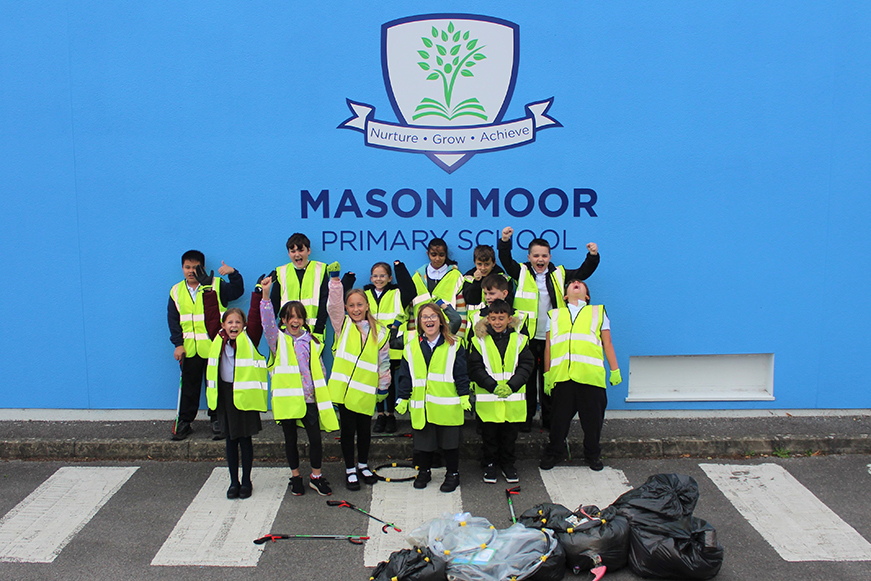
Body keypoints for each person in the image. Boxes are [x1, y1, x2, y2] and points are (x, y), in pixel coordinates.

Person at [498, 227, 600, 431]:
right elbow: (506, 260)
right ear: (529, 256)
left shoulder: (559, 273)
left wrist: (593, 256)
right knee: (525, 380)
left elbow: (583, 273)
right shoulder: (522, 271)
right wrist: (505, 241)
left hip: (553, 338)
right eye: (536, 255)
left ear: (550, 256)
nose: (540, 259)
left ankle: (549, 420)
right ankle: (525, 421)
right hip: (526, 337)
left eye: (544, 255)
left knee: (549, 381)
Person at [260, 276, 338, 496]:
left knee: (315, 439)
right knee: (290, 440)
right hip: (287, 400)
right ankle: (295, 476)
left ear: (304, 320)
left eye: (298, 317)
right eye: (289, 317)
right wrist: (266, 296)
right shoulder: (278, 340)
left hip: (309, 398)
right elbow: (267, 322)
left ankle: (316, 476)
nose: (294, 321)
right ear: (283, 320)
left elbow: (320, 369)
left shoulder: (311, 341)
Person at [540, 279, 621, 471]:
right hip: (562, 378)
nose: (576, 283)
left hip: (591, 377)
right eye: (572, 283)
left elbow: (607, 343)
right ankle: (554, 453)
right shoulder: (555, 314)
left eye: (581, 283)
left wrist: (615, 369)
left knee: (593, 423)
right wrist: (547, 374)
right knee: (558, 422)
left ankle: (592, 454)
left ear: (587, 295)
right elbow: (549, 347)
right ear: (565, 296)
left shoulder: (598, 312)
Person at [395, 303, 471, 493]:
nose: (429, 320)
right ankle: (424, 472)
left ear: (440, 320)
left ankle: (453, 474)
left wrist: (464, 395)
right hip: (422, 404)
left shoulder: (454, 344)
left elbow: (461, 373)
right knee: (424, 442)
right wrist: (403, 398)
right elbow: (406, 375)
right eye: (424, 317)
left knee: (450, 443)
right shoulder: (411, 346)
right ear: (419, 323)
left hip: (447, 404)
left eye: (433, 316)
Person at [167, 251, 243, 441]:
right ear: (182, 268)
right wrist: (178, 344)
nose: (191, 271)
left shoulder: (215, 284)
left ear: (202, 267)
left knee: (214, 386)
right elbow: (173, 321)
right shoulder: (176, 291)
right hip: (189, 350)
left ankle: (217, 421)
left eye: (195, 267)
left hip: (214, 348)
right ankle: (184, 422)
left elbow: (237, 290)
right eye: (187, 267)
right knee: (189, 388)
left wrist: (232, 273)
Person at [203, 286, 268, 499]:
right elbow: (211, 316)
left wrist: (258, 292)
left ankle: (247, 480)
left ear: (244, 326)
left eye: (238, 322)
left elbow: (256, 317)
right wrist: (208, 293)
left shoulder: (250, 339)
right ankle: (233, 481)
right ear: (223, 325)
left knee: (245, 440)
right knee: (230, 440)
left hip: (245, 396)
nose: (234, 325)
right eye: (230, 322)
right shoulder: (217, 338)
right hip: (225, 395)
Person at [327, 274, 391, 490]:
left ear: (367, 306)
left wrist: (384, 386)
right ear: (347, 307)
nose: (355, 309)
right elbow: (333, 306)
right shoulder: (342, 324)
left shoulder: (380, 331)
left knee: (365, 430)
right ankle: (350, 469)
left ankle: (363, 465)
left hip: (365, 391)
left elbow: (383, 361)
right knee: (347, 431)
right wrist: (336, 282)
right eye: (351, 305)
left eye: (359, 305)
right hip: (344, 391)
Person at [467, 299, 533, 484]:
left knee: (509, 437)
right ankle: (489, 464)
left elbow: (527, 366)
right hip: (489, 400)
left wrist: (512, 386)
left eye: (501, 318)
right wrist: (492, 386)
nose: (497, 322)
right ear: (488, 319)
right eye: (494, 318)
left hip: (512, 399)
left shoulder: (520, 340)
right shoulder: (478, 340)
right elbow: (475, 367)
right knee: (489, 437)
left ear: (509, 319)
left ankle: (508, 465)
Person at [361, 262, 416, 434]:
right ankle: (380, 414)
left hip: (393, 345)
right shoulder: (365, 294)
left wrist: (400, 268)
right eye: (375, 276)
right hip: (371, 345)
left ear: (390, 278)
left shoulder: (397, 293)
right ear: (371, 278)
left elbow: (411, 291)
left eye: (383, 275)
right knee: (375, 381)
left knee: (390, 381)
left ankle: (391, 415)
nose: (379, 279)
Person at [270, 233, 333, 344]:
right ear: (288, 253)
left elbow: (325, 302)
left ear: (308, 251)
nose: (297, 254)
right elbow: (274, 304)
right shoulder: (281, 272)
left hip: (313, 333)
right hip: (286, 333)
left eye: (300, 250)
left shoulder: (320, 269)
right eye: (293, 251)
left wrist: (319, 329)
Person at [408, 238, 467, 339]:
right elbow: (411, 311)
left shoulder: (456, 276)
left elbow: (462, 310)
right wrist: (412, 336)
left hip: (448, 333)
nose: (437, 259)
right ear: (428, 254)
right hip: (422, 335)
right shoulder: (417, 277)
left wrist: (459, 338)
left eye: (441, 255)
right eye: (433, 254)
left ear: (446, 254)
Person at [462, 244, 508, 317]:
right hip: (474, 320)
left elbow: (508, 302)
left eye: (487, 264)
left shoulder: (502, 278)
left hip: (497, 320)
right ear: (474, 263)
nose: (483, 268)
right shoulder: (469, 277)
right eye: (479, 264)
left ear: (494, 263)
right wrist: (477, 282)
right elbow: (470, 300)